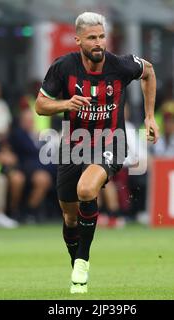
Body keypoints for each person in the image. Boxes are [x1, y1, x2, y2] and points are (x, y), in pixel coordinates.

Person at [35, 12, 159, 294]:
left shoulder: (121, 65)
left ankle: (82, 262)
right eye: (92, 37)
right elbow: (40, 105)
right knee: (69, 218)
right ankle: (76, 266)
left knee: (87, 189)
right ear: (78, 39)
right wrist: (66, 104)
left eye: (102, 36)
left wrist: (150, 117)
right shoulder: (63, 67)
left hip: (110, 142)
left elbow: (149, 72)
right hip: (73, 146)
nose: (99, 43)